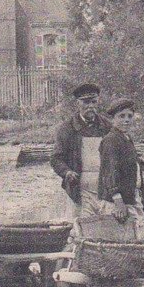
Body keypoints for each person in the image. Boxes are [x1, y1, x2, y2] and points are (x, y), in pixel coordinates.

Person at [50, 82, 111, 222]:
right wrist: (66, 172)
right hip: (79, 187)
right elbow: (56, 158)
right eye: (85, 102)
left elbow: (119, 151)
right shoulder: (67, 129)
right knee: (78, 227)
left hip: (105, 186)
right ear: (77, 103)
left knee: (106, 225)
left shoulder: (107, 127)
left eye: (93, 102)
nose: (90, 106)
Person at [97, 99, 144, 225]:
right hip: (117, 201)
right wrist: (118, 201)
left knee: (136, 235)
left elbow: (131, 170)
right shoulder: (111, 140)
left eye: (129, 116)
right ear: (113, 119)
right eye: (121, 116)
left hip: (131, 197)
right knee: (118, 238)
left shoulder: (126, 138)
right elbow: (109, 171)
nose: (126, 120)